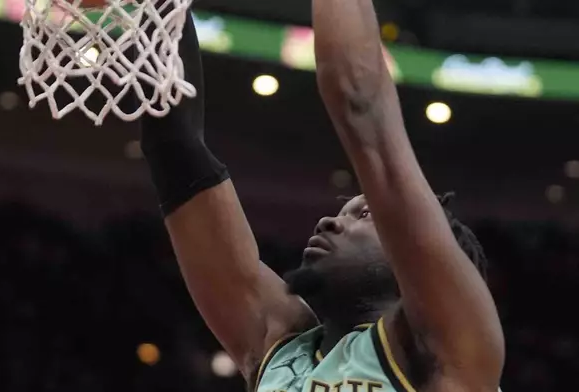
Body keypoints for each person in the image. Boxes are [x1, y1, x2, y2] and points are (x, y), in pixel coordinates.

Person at [139, 1, 504, 391]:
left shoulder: (450, 348)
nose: (330, 221)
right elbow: (176, 151)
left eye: (363, 216)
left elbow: (360, 101)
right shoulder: (280, 345)